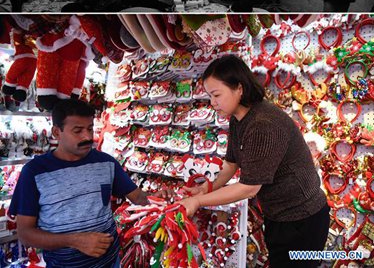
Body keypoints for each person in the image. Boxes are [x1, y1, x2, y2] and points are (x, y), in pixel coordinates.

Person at [178, 55, 330, 268]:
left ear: (239, 88)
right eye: (210, 96)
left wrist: (198, 201)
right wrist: (204, 189)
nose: (212, 103)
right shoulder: (238, 119)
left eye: (216, 95)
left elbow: (249, 188)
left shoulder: (262, 124)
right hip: (280, 215)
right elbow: (231, 164)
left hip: (303, 219)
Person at [9, 99, 150, 268]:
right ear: (56, 132)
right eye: (78, 131)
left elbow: (138, 198)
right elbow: (25, 234)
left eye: (90, 129)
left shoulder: (106, 163)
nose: (87, 137)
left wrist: (159, 198)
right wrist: (74, 241)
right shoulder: (34, 172)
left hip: (110, 262)